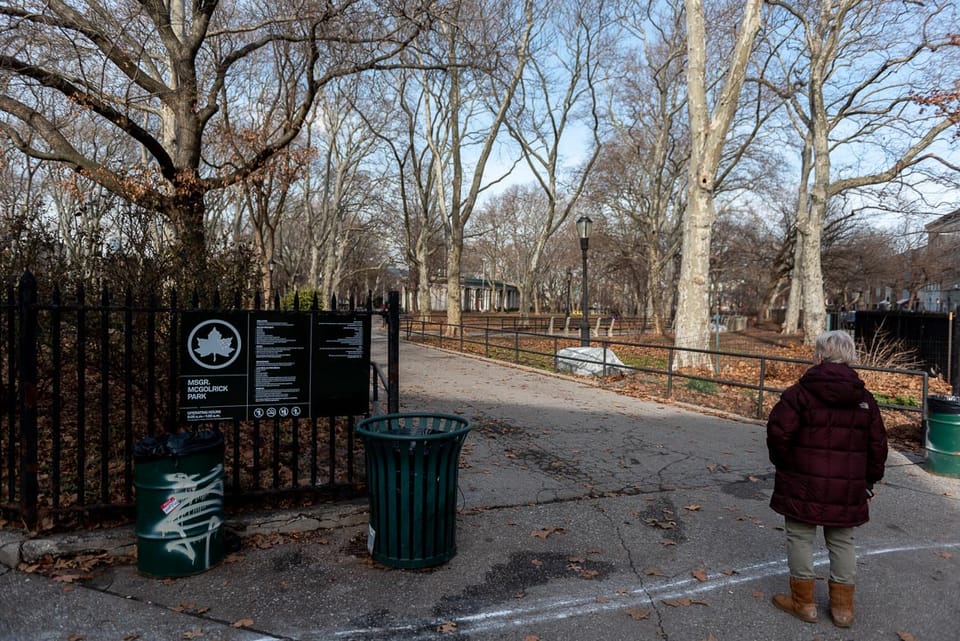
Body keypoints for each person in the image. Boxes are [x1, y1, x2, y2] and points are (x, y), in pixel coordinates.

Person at [766, 330, 888, 628]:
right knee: (843, 540)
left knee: (800, 535)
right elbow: (877, 445)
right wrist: (869, 481)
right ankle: (842, 609)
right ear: (850, 356)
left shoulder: (799, 394)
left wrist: (786, 465)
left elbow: (778, 433)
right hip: (847, 485)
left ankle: (803, 603)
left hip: (802, 479)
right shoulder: (865, 400)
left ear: (819, 355)